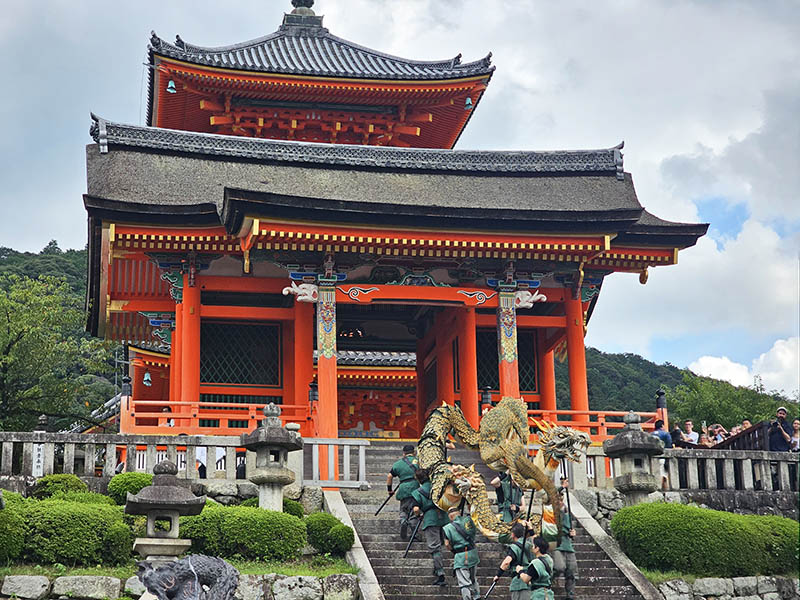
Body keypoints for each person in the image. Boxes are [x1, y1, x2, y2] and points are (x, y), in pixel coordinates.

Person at [411, 467, 449, 587]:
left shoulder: (418, 492)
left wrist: (419, 515)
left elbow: (416, 509)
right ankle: (438, 568)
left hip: (430, 519)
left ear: (418, 479)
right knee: (444, 543)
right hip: (444, 517)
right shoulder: (438, 487)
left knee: (434, 547)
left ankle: (440, 573)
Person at [443, 506, 480, 600]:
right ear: (459, 513)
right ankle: (477, 596)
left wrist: (453, 551)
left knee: (464, 582)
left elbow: (446, 544)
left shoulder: (448, 528)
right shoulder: (469, 521)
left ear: (450, 516)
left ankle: (467, 598)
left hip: (460, 556)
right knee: (473, 579)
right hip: (472, 554)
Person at [551, 479, 578, 600]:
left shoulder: (567, 512)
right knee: (559, 567)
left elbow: (571, 529)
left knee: (572, 571)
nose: (560, 502)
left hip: (568, 544)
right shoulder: (551, 511)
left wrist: (573, 533)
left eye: (561, 500)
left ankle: (570, 595)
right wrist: (562, 487)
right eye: (558, 500)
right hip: (557, 543)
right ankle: (546, 584)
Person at [387, 444, 420, 540]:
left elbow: (389, 476)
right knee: (414, 511)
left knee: (404, 509)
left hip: (403, 488)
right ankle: (415, 534)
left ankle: (403, 520)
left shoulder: (398, 464)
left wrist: (389, 490)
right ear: (414, 452)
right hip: (416, 488)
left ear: (404, 453)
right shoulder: (419, 462)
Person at [493, 522, 533, 600]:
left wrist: (498, 575)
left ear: (512, 534)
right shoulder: (531, 545)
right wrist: (531, 528)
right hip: (531, 579)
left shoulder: (514, 547)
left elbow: (506, 562)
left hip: (519, 582)